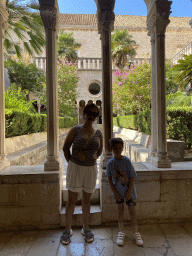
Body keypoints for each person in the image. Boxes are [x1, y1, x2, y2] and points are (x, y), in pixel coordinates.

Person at [60, 102, 103, 245]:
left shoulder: (98, 133)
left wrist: (90, 159)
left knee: (86, 200)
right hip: (76, 168)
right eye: (88, 113)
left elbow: (99, 151)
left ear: (96, 117)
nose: (90, 116)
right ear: (83, 114)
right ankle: (67, 230)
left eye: (94, 114)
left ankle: (86, 228)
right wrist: (73, 162)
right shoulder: (75, 130)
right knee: (71, 200)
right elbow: (66, 148)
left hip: (90, 169)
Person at [106, 138, 143, 246]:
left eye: (119, 148)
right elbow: (109, 179)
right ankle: (121, 232)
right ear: (111, 149)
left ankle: (136, 232)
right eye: (115, 148)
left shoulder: (126, 161)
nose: (117, 150)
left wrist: (129, 191)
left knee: (132, 211)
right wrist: (116, 193)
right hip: (118, 192)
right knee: (120, 211)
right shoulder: (110, 163)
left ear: (122, 148)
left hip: (129, 192)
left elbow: (132, 176)